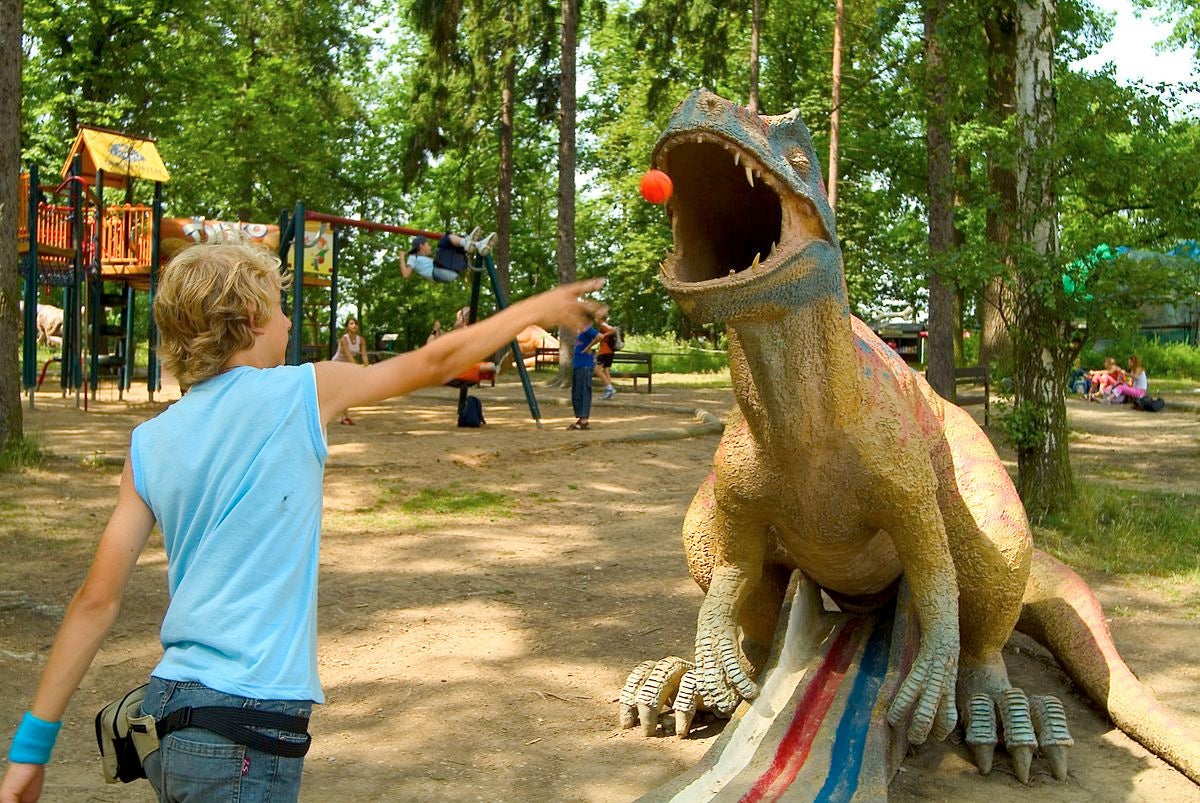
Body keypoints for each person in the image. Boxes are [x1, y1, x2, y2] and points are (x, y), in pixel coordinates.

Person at [0, 242, 603, 803]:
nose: (289, 323)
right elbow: (438, 359)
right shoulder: (301, 392)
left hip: (168, 720)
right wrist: (540, 306)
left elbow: (94, 602)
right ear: (250, 319)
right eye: (281, 307)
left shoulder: (150, 441)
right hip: (242, 733)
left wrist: (31, 749)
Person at [400, 228, 496, 284]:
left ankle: (479, 245)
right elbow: (406, 274)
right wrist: (401, 257)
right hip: (439, 272)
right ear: (421, 246)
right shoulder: (413, 257)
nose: (429, 246)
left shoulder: (423, 259)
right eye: (427, 244)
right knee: (446, 239)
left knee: (455, 247)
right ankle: (466, 242)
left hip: (450, 274)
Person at [568, 315, 605, 430]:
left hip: (585, 365)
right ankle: (580, 418)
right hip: (578, 365)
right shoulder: (582, 331)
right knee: (577, 392)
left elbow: (600, 336)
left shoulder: (588, 329)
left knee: (583, 391)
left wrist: (589, 347)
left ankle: (584, 420)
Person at [331, 316, 369, 425]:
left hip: (348, 366)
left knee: (346, 390)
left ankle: (345, 416)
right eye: (351, 323)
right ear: (347, 327)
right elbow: (348, 356)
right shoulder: (343, 339)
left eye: (356, 324)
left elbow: (364, 355)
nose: (354, 326)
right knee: (337, 390)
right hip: (337, 365)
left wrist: (367, 368)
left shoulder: (361, 340)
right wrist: (358, 368)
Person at [594, 310, 618, 400]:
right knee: (606, 370)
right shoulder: (604, 325)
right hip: (609, 352)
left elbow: (614, 330)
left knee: (597, 370)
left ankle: (609, 388)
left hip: (605, 351)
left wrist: (603, 336)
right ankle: (609, 393)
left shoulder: (603, 325)